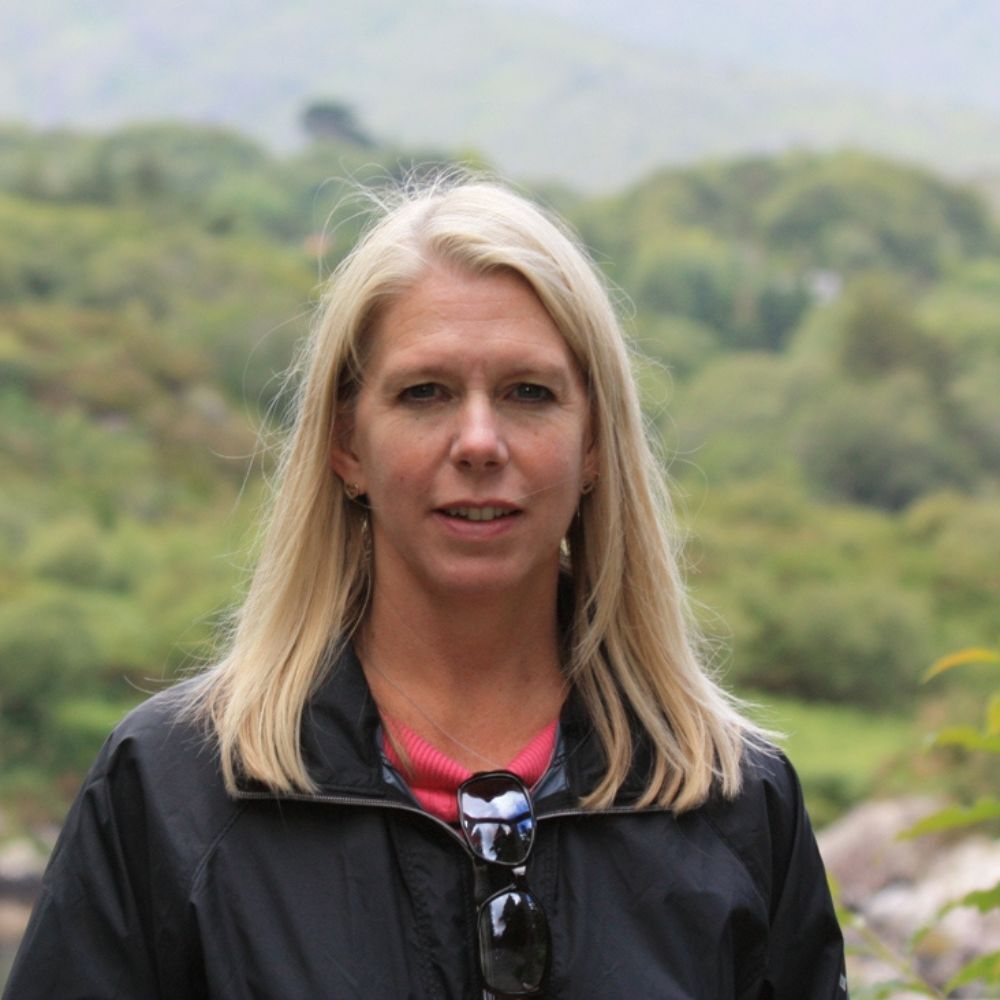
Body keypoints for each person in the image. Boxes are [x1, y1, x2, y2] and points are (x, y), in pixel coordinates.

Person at [5, 176, 848, 999]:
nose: (479, 441)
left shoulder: (732, 801)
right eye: (425, 393)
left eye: (528, 392)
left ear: (594, 444)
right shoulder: (173, 792)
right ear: (346, 444)